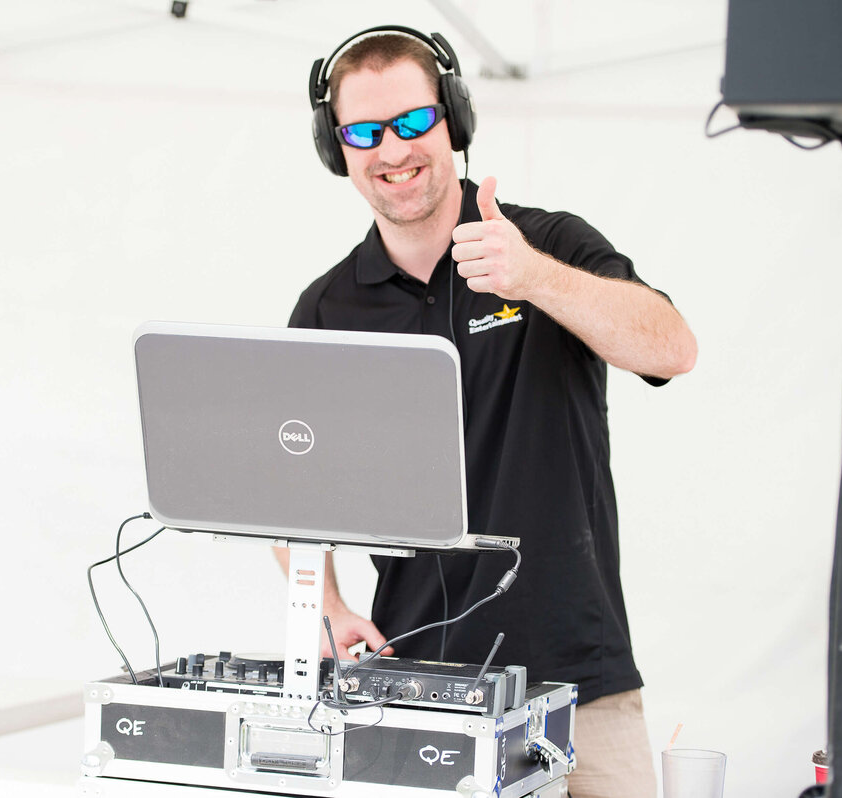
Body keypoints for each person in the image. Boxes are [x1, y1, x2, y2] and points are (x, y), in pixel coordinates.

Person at [276, 28, 697, 798]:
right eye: (364, 132)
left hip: (581, 678)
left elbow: (671, 348)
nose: (392, 149)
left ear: (454, 119)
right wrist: (325, 607)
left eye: (413, 121)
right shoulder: (327, 308)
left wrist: (534, 277)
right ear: (336, 149)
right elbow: (283, 487)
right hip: (413, 688)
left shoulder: (547, 245)